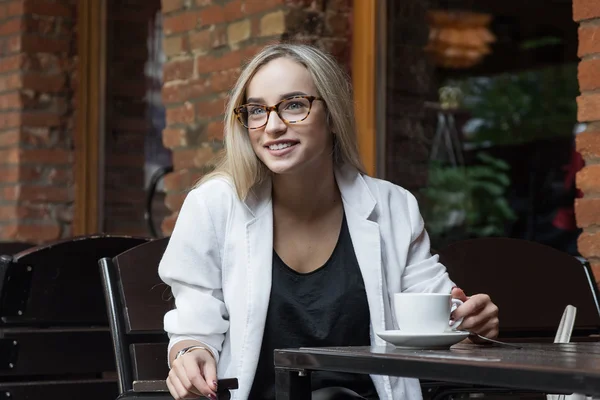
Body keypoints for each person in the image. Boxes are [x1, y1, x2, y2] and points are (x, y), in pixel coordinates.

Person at [159, 43, 499, 400]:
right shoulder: (214, 204)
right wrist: (189, 353)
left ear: (333, 115)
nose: (272, 126)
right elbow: (195, 322)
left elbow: (436, 308)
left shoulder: (393, 206)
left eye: (293, 105)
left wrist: (469, 322)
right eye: (257, 110)